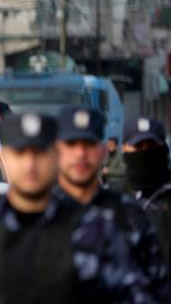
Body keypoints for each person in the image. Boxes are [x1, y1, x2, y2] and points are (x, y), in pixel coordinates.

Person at [0, 112, 156, 303]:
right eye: (20, 153)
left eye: (39, 153)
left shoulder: (96, 230)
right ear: (2, 158)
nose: (30, 164)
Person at [54, 107, 169, 299]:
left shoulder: (128, 212)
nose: (80, 153)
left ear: (102, 151)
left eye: (89, 143)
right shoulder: (38, 214)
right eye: (72, 144)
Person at [122, 116, 171, 265]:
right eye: (138, 147)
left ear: (164, 149)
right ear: (124, 149)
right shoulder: (112, 197)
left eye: (151, 146)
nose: (145, 152)